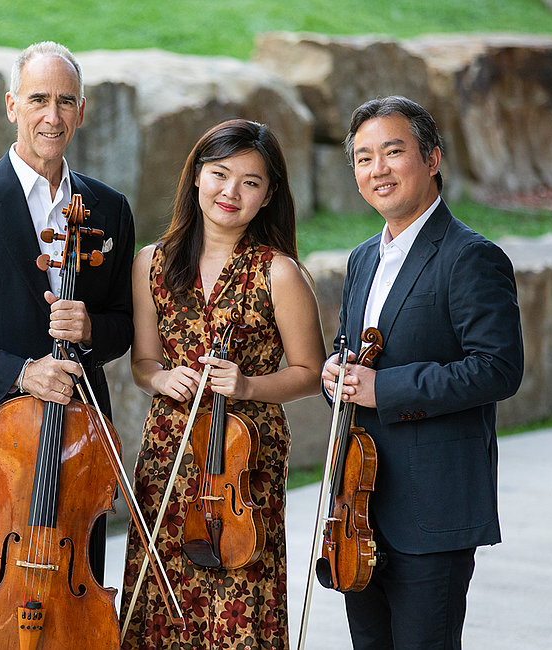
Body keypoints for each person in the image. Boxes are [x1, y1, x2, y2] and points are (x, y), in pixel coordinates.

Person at [0, 41, 135, 582]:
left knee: (76, 592)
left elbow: (123, 324)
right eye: (39, 99)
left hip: (79, 439)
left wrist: (91, 329)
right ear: (12, 105)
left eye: (66, 101)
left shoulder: (109, 209)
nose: (52, 115)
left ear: (81, 112)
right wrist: (19, 373)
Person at [322, 96, 524, 650]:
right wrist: (334, 375)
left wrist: (381, 388)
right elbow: (352, 352)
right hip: (357, 513)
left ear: (432, 159)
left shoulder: (470, 257)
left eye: (393, 151)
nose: (377, 169)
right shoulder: (364, 258)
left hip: (432, 509)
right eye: (364, 158)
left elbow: (498, 369)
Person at [119, 118, 327, 649]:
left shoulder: (279, 272)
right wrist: (163, 377)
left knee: (240, 597)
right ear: (195, 177)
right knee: (162, 594)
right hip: (172, 450)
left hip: (244, 460)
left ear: (268, 194)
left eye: (250, 182)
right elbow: (143, 363)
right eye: (219, 174)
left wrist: (248, 385)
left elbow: (310, 373)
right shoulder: (152, 264)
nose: (230, 192)